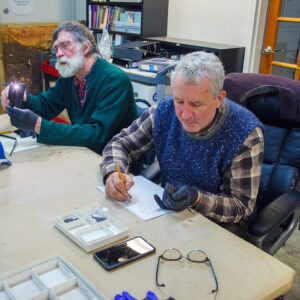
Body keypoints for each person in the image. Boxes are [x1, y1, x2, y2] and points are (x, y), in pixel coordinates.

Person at [100, 51, 264, 224]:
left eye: (196, 104)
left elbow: (241, 207)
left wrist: (198, 199)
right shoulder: (164, 110)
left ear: (219, 99)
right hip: (168, 216)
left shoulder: (245, 132)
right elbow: (120, 144)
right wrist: (113, 172)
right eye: (179, 101)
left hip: (216, 226)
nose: (185, 115)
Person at [1, 21, 137, 154]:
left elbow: (96, 135)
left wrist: (39, 125)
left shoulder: (115, 81)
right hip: (86, 152)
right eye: (56, 49)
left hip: (116, 162)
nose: (59, 54)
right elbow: (45, 106)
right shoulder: (70, 78)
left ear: (85, 48)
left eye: (65, 45)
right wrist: (23, 98)